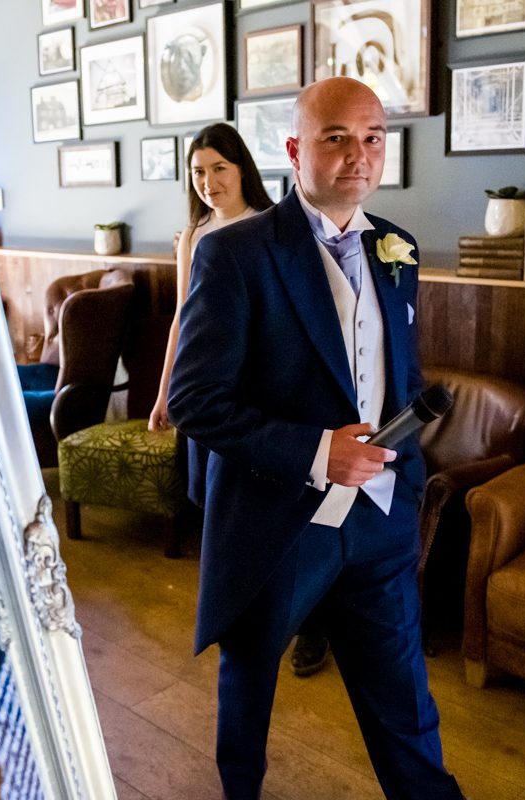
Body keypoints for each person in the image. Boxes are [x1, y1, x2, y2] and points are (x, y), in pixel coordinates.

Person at [167, 77, 464, 799]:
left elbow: (397, 371)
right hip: (279, 525)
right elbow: (193, 400)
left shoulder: (399, 247)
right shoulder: (235, 254)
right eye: (336, 138)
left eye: (372, 138)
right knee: (249, 691)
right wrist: (314, 451)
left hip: (381, 523)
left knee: (407, 713)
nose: (357, 155)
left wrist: (407, 470)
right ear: (297, 150)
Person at [148, 122, 331, 679]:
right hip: (213, 397)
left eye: (218, 169)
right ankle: (244, 616)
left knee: (286, 512)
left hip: (272, 401)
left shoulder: (275, 228)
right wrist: (164, 394)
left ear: (242, 168)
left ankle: (311, 622)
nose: (208, 182)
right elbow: (185, 319)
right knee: (220, 508)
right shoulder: (194, 236)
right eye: (198, 172)